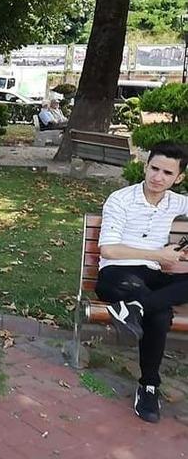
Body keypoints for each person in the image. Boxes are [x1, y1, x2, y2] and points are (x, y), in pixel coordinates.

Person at [98, 141, 188, 423]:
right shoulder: (120, 199)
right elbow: (108, 250)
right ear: (145, 166)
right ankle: (150, 385)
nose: (158, 177)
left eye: (167, 173)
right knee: (160, 313)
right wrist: (157, 254)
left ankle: (134, 308)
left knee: (157, 305)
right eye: (154, 168)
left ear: (179, 178)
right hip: (117, 274)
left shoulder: (177, 202)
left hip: (152, 274)